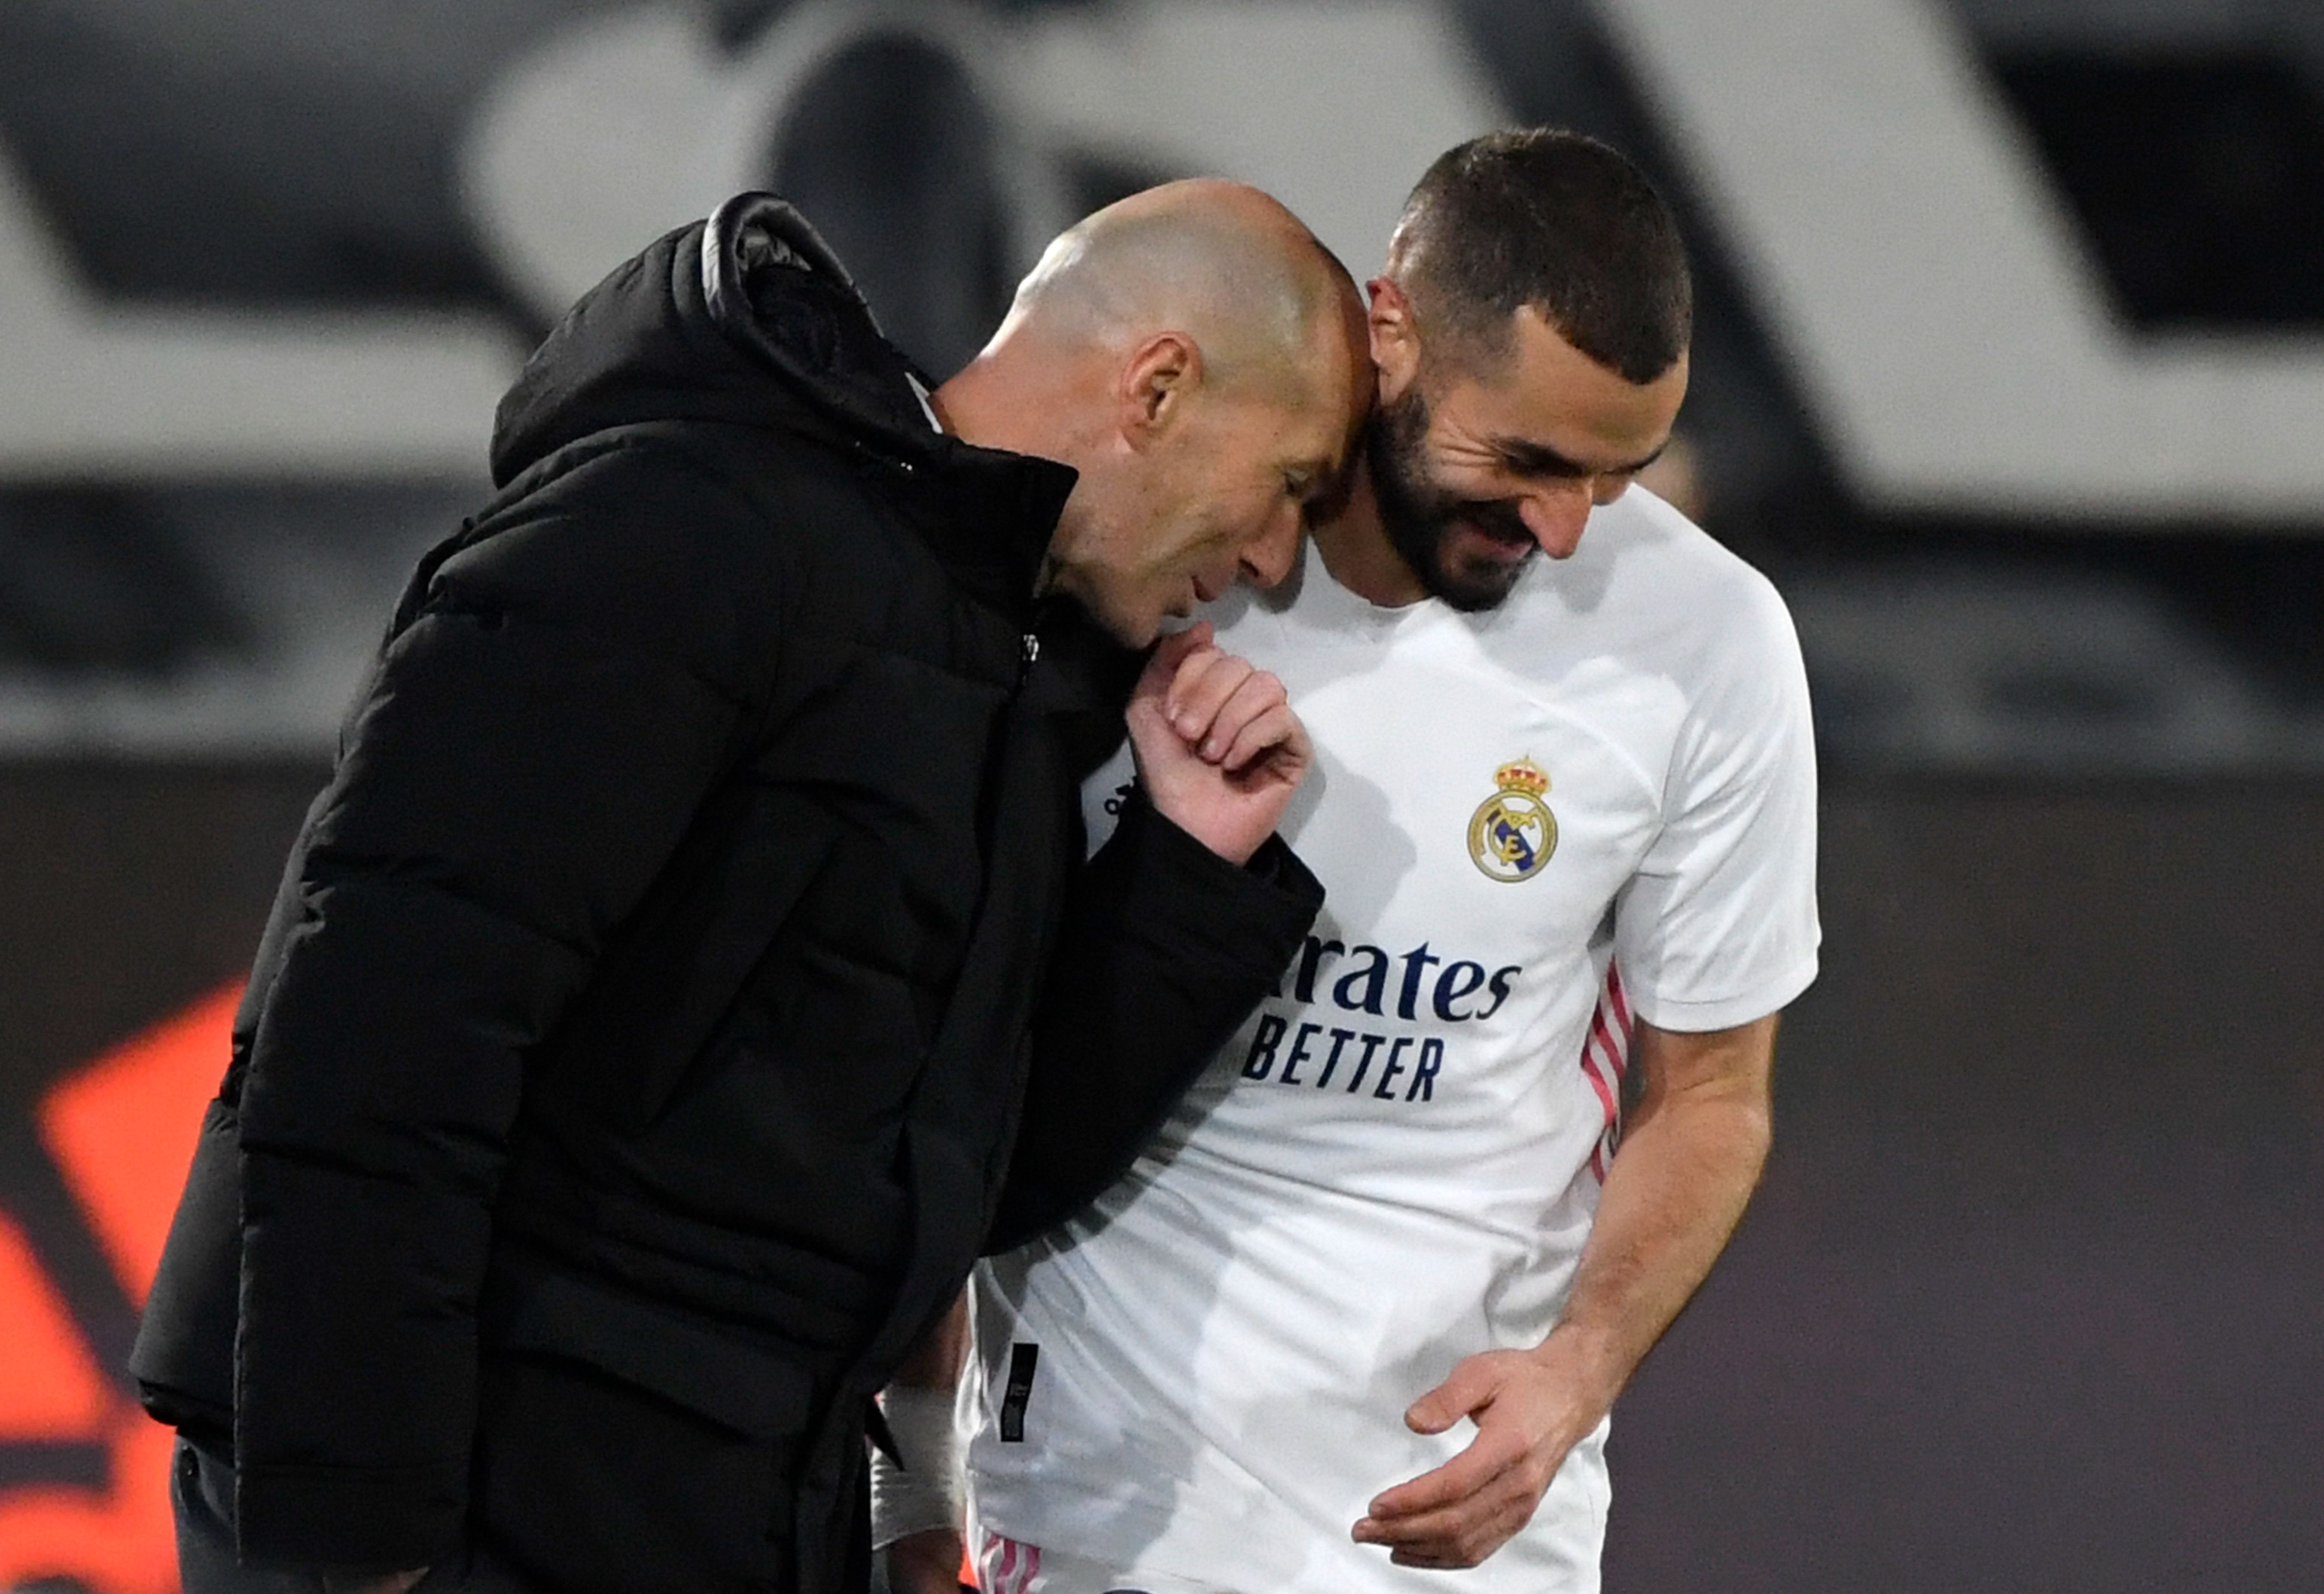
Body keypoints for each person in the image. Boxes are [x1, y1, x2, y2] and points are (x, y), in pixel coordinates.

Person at [129, 178, 1373, 1594]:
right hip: (469, 1515)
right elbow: (377, 1028)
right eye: (1288, 487)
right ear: (1158, 388)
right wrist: (358, 1543)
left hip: (713, 1524)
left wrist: (1181, 870)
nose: (1274, 565)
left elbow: (962, 1175)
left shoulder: (1003, 673)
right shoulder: (681, 522)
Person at [933, 130, 1818, 1592]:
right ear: (1390, 323)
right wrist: (917, 1472)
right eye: (1525, 459)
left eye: (1615, 475)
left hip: (1456, 1533)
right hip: (1086, 1517)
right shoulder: (1144, 561)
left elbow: (1713, 1095)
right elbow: (954, 1073)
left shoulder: (1708, 640)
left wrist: (1581, 1371)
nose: (1559, 526)